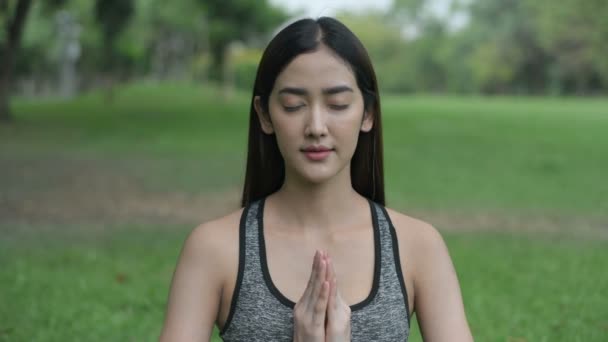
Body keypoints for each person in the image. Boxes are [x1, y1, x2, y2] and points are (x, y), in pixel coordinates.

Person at [160, 17, 473, 342]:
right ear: (265, 114)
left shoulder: (418, 246)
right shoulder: (215, 248)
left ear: (368, 114)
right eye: (293, 105)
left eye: (337, 104)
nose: (316, 126)